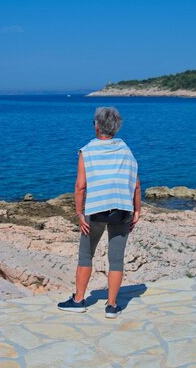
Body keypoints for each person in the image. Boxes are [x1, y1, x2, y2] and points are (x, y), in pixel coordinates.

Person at [58, 106, 141, 319]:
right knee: (116, 259)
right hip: (122, 208)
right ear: (116, 127)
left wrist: (79, 213)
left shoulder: (87, 150)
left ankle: (78, 300)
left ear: (96, 126)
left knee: (86, 255)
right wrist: (137, 209)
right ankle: (112, 306)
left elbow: (80, 186)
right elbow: (136, 183)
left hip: (95, 210)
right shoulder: (125, 149)